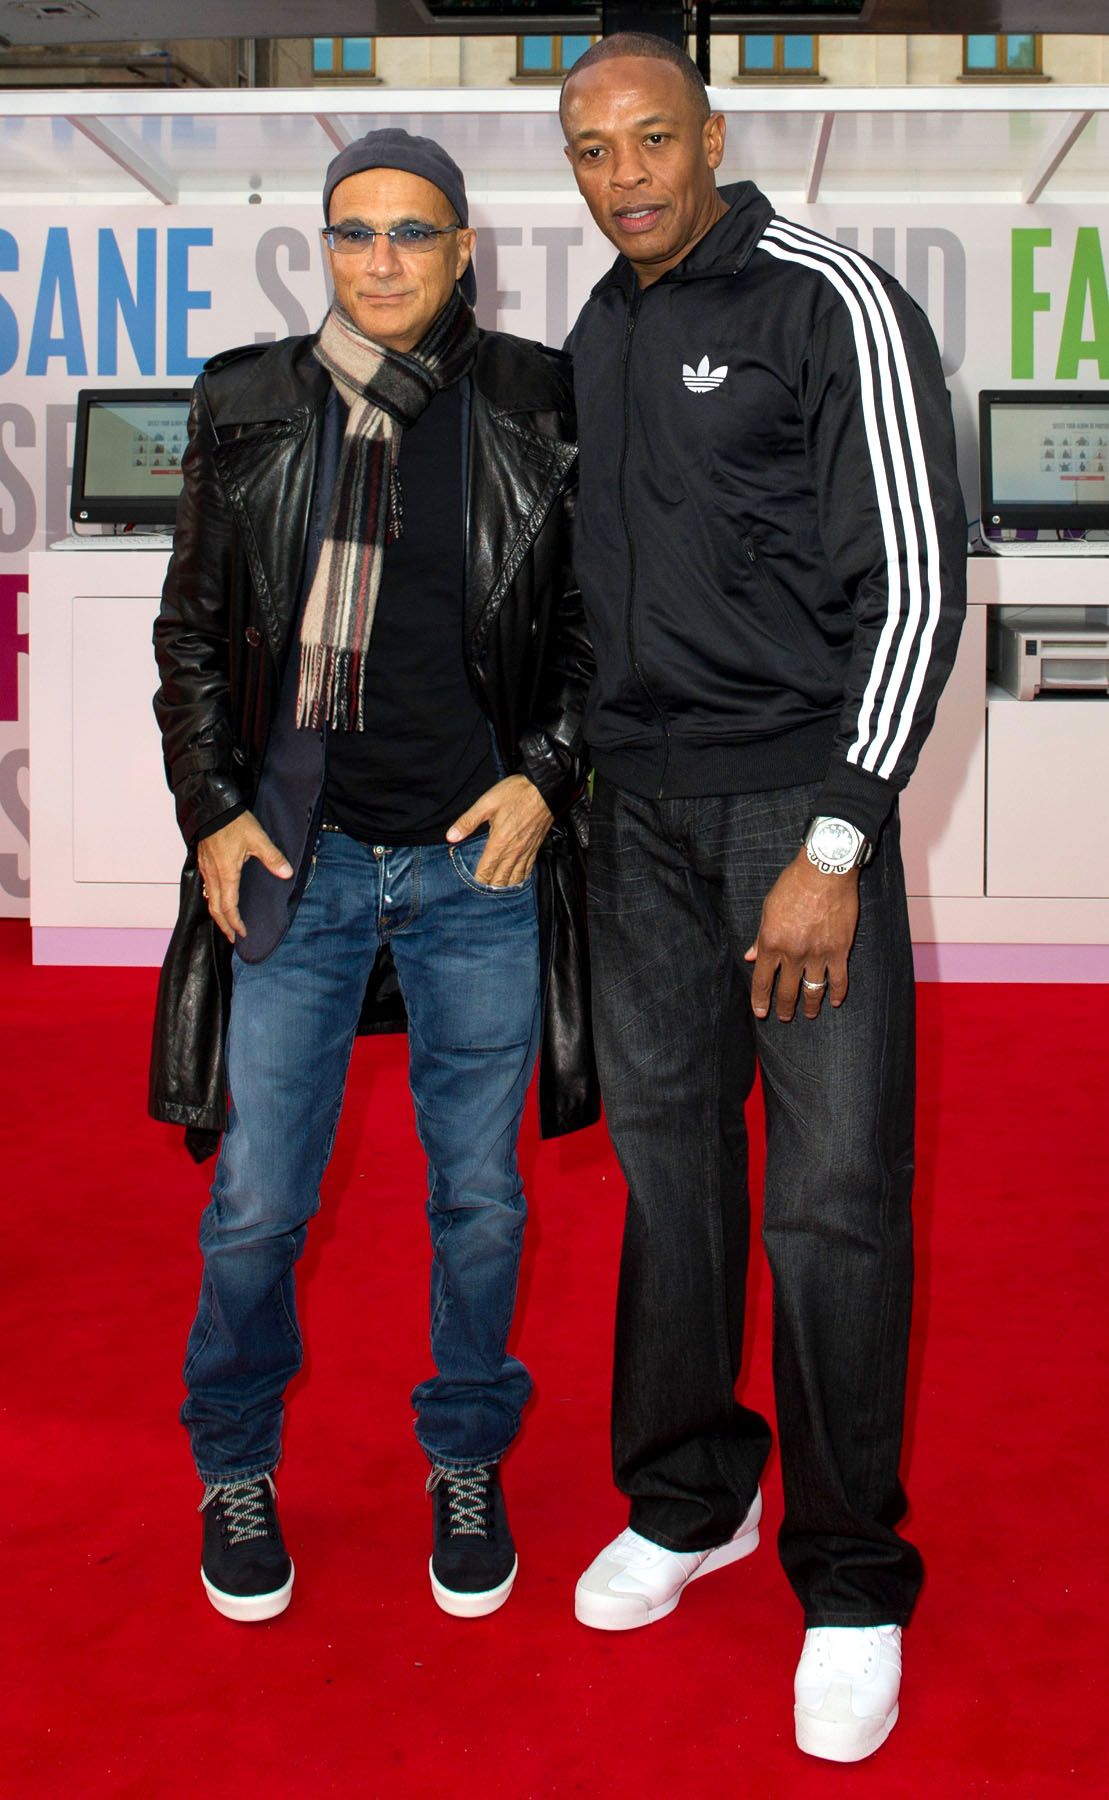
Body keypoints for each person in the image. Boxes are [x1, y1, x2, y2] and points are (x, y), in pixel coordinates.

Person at [560, 35, 966, 1764]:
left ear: (713, 135)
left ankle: (852, 1578)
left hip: (794, 824)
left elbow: (919, 586)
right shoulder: (599, 328)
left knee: (834, 1199)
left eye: (653, 139)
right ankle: (688, 1496)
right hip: (631, 828)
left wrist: (837, 841)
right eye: (592, 150)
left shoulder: (829, 298)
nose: (625, 175)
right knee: (670, 1177)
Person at [150, 128, 596, 1626]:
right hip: (303, 855)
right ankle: (234, 1461)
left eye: (414, 232)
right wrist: (214, 810)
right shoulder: (248, 400)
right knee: (259, 1204)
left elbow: (595, 628)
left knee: (481, 1201)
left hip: (477, 865)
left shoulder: (538, 399)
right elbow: (191, 635)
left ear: (464, 249)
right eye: (356, 232)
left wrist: (547, 773)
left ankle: (464, 1453)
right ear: (322, 247)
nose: (383, 259)